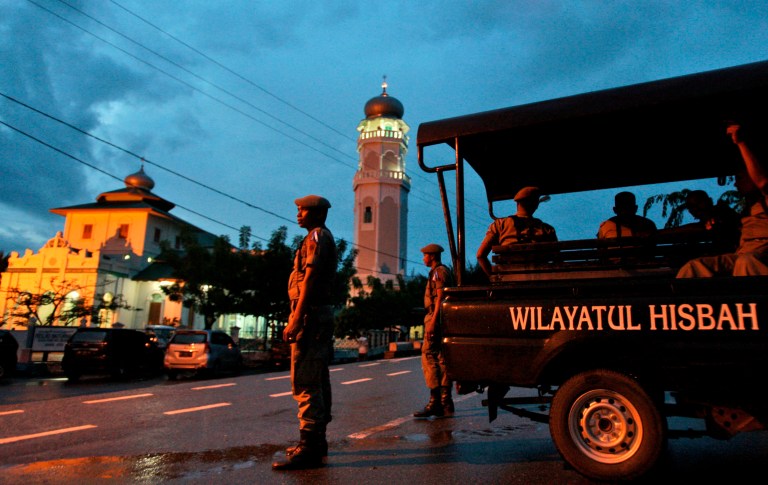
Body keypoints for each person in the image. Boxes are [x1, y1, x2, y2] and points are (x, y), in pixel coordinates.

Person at [273, 194, 337, 471]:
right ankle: (316, 441)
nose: (298, 214)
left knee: (306, 380)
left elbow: (310, 278)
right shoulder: (316, 236)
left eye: (302, 210)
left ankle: (309, 448)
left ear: (317, 213)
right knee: (316, 378)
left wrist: (297, 318)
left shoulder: (317, 237)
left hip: (309, 315)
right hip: (313, 313)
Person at [677, 123, 768, 277]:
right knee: (694, 267)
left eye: (740, 178)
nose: (735, 183)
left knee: (746, 262)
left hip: (761, 256)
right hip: (742, 253)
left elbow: (762, 182)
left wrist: (741, 143)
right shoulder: (747, 208)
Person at [476, 186, 557, 277]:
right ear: (536, 205)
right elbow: (557, 259)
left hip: (509, 279)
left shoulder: (499, 225)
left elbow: (480, 255)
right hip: (540, 280)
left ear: (517, 204)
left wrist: (494, 278)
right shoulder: (547, 229)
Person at [413, 243, 455, 419]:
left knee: (428, 354)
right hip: (440, 318)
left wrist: (433, 322)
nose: (423, 258)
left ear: (431, 256)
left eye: (425, 255)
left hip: (435, 317)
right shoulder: (440, 271)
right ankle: (445, 401)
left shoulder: (438, 272)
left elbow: (439, 298)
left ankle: (435, 401)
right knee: (440, 357)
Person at [676, 189, 741, 252]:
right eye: (691, 206)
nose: (695, 208)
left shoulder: (724, 213)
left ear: (710, 201)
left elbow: (702, 227)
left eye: (699, 202)